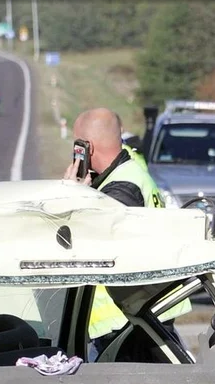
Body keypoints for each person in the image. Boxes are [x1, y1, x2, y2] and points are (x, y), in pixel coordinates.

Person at [63, 107, 169, 352]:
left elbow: (88, 244)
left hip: (125, 323)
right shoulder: (128, 172)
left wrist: (72, 196)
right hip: (143, 316)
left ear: (87, 147)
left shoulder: (120, 190)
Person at [63, 107, 165, 209]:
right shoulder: (130, 173)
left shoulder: (119, 192)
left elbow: (94, 224)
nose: (75, 152)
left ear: (89, 148)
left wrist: (74, 197)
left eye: (78, 145)